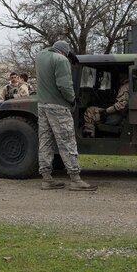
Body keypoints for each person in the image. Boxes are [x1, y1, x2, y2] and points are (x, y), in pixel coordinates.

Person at [35, 40, 96, 191]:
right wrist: (72, 100)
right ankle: (75, 179)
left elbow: (50, 50)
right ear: (63, 53)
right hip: (59, 106)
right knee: (67, 142)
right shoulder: (61, 60)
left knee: (45, 142)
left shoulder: (40, 57)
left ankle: (47, 178)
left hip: (42, 105)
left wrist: (68, 53)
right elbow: (65, 85)